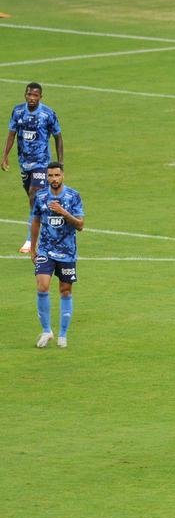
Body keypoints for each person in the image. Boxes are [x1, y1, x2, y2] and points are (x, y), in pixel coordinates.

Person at [3, 83, 64, 254]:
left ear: (40, 97)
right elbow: (11, 134)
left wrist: (60, 164)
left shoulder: (48, 114)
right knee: (36, 203)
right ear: (25, 95)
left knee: (34, 194)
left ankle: (31, 240)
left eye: (35, 95)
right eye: (29, 94)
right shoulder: (18, 112)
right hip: (25, 163)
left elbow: (58, 137)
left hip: (42, 163)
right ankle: (52, 227)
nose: (32, 98)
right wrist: (5, 156)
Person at [28, 162, 82, 349]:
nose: (53, 179)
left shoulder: (73, 196)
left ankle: (63, 334)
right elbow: (35, 222)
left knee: (65, 291)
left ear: (63, 176)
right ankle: (46, 331)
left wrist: (64, 212)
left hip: (67, 253)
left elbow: (80, 225)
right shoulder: (41, 196)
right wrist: (33, 248)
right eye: (50, 176)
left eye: (56, 175)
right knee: (42, 287)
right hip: (45, 251)